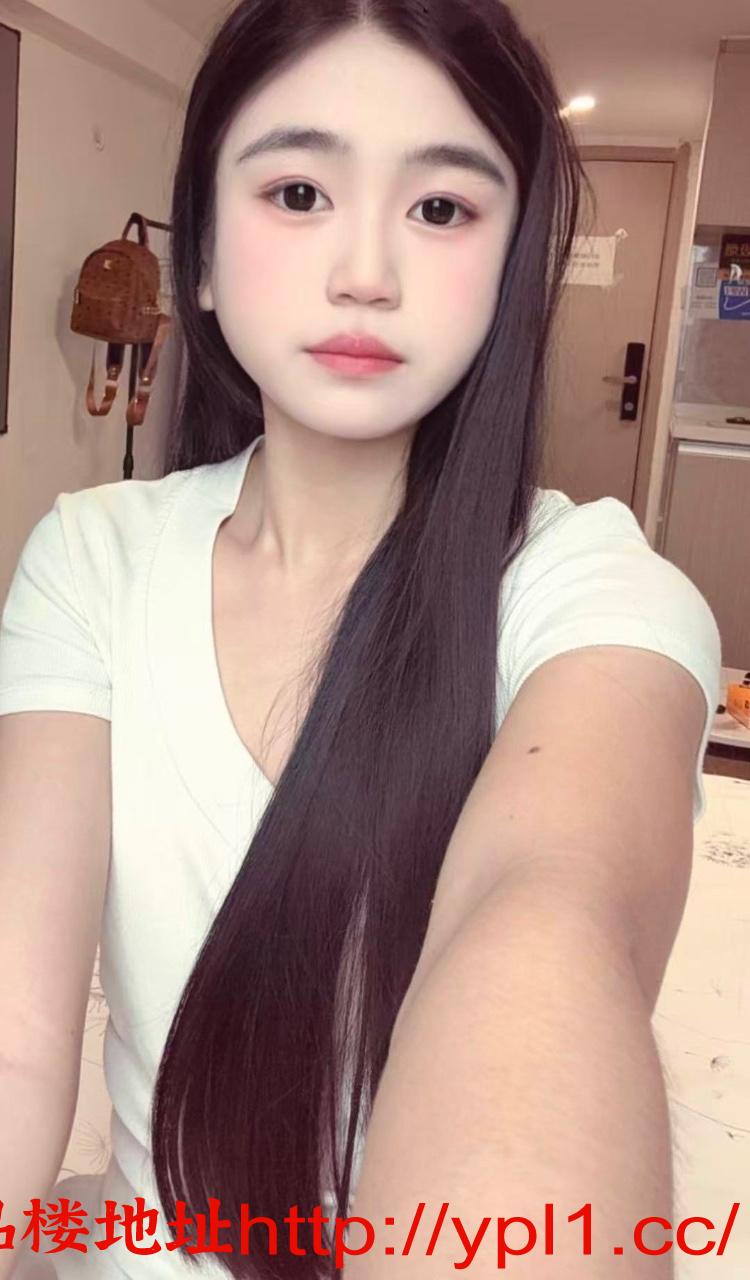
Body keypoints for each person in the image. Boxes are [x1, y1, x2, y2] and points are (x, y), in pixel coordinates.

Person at [0, 2, 722, 1277]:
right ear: (201, 256)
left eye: (441, 208)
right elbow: (15, 1037)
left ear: (510, 271)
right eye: (298, 192)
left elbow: (551, 919)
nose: (366, 272)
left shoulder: (595, 592)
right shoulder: (92, 557)